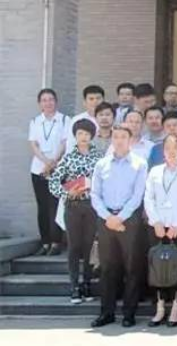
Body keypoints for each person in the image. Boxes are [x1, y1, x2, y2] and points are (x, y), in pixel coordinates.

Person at [89, 124, 148, 328]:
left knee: (132, 267)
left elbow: (138, 195)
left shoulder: (139, 164)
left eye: (123, 136)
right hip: (105, 219)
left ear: (130, 140)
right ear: (111, 139)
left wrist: (120, 217)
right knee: (107, 268)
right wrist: (108, 217)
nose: (119, 140)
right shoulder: (101, 164)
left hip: (129, 219)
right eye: (116, 137)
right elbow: (95, 194)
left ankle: (129, 313)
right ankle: (107, 312)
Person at [143, 135, 177, 327]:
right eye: (167, 148)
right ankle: (159, 307)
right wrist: (156, 221)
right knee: (157, 266)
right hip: (157, 226)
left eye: (175, 148)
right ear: (163, 151)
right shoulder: (155, 171)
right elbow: (148, 197)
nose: (171, 152)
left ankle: (175, 306)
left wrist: (176, 224)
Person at [49, 119, 104, 303]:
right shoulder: (68, 157)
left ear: (92, 136)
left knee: (89, 245)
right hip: (73, 205)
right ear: (75, 136)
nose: (83, 137)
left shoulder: (99, 157)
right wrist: (66, 193)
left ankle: (87, 283)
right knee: (74, 246)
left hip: (92, 206)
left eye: (87, 134)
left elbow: (105, 180)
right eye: (80, 133)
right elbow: (53, 181)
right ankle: (74, 285)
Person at [29, 88, 69, 256]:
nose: (48, 103)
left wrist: (53, 162)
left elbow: (65, 143)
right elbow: (33, 145)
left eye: (51, 99)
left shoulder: (65, 120)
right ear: (40, 103)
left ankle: (56, 242)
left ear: (56, 101)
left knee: (56, 205)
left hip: (58, 168)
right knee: (43, 206)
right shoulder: (35, 121)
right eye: (44, 100)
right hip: (38, 169)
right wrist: (46, 162)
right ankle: (45, 242)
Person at [66, 85, 104, 152]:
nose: (95, 101)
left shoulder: (112, 119)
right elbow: (71, 144)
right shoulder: (77, 120)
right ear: (84, 102)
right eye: (91, 99)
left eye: (98, 98)